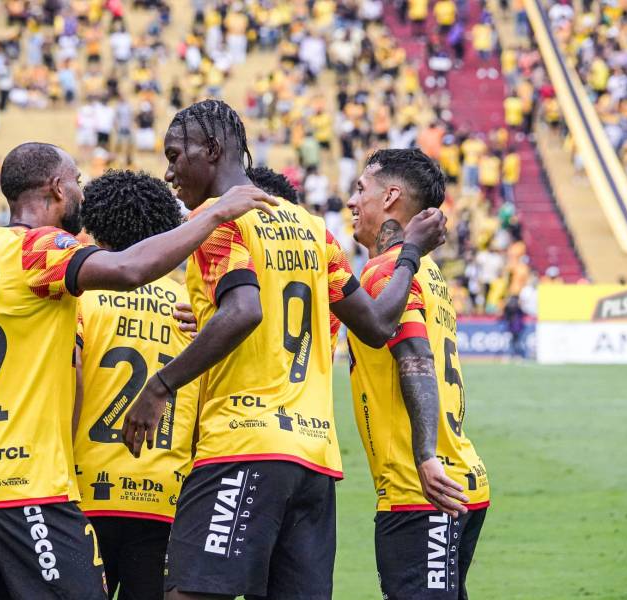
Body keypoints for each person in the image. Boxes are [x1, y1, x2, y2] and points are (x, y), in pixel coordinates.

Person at [121, 100, 447, 600]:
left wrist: (159, 386)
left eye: (175, 154)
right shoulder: (313, 229)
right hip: (314, 462)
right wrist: (410, 252)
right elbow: (379, 325)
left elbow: (244, 311)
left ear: (211, 150)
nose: (168, 172)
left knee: (191, 593)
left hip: (243, 443)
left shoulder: (216, 218)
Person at [0, 141, 276, 599]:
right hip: (28, 483)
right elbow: (128, 268)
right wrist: (213, 216)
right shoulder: (41, 247)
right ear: (58, 188)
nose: (82, 193)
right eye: (78, 182)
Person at [345, 149, 490, 599]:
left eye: (360, 190)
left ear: (390, 197)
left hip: (421, 488)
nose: (352, 202)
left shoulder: (388, 271)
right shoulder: (426, 272)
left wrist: (425, 455)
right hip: (460, 480)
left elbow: (416, 359)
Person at [73, 170, 200, 600]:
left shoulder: (79, 298)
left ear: (92, 224)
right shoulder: (192, 308)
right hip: (166, 498)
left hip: (85, 493)